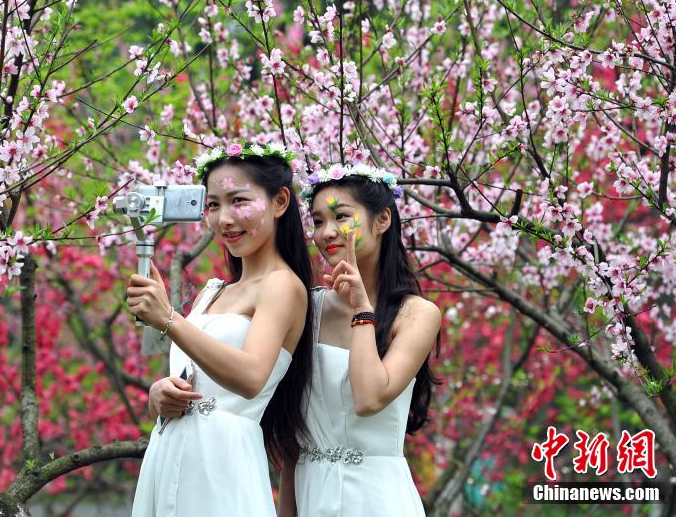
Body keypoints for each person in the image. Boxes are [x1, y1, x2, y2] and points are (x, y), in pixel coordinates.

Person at [128, 142, 314, 517]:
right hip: (169, 451)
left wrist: (169, 319)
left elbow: (251, 377)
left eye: (238, 201)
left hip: (222, 464)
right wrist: (160, 394)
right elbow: (192, 376)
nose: (224, 218)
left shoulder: (282, 286)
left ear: (279, 202)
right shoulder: (213, 292)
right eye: (213, 205)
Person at [278, 164, 441, 517]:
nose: (327, 232)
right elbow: (292, 436)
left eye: (341, 216)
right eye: (318, 221)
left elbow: (368, 398)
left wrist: (361, 310)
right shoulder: (307, 307)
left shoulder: (417, 314)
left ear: (382, 220)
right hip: (311, 497)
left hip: (376, 498)